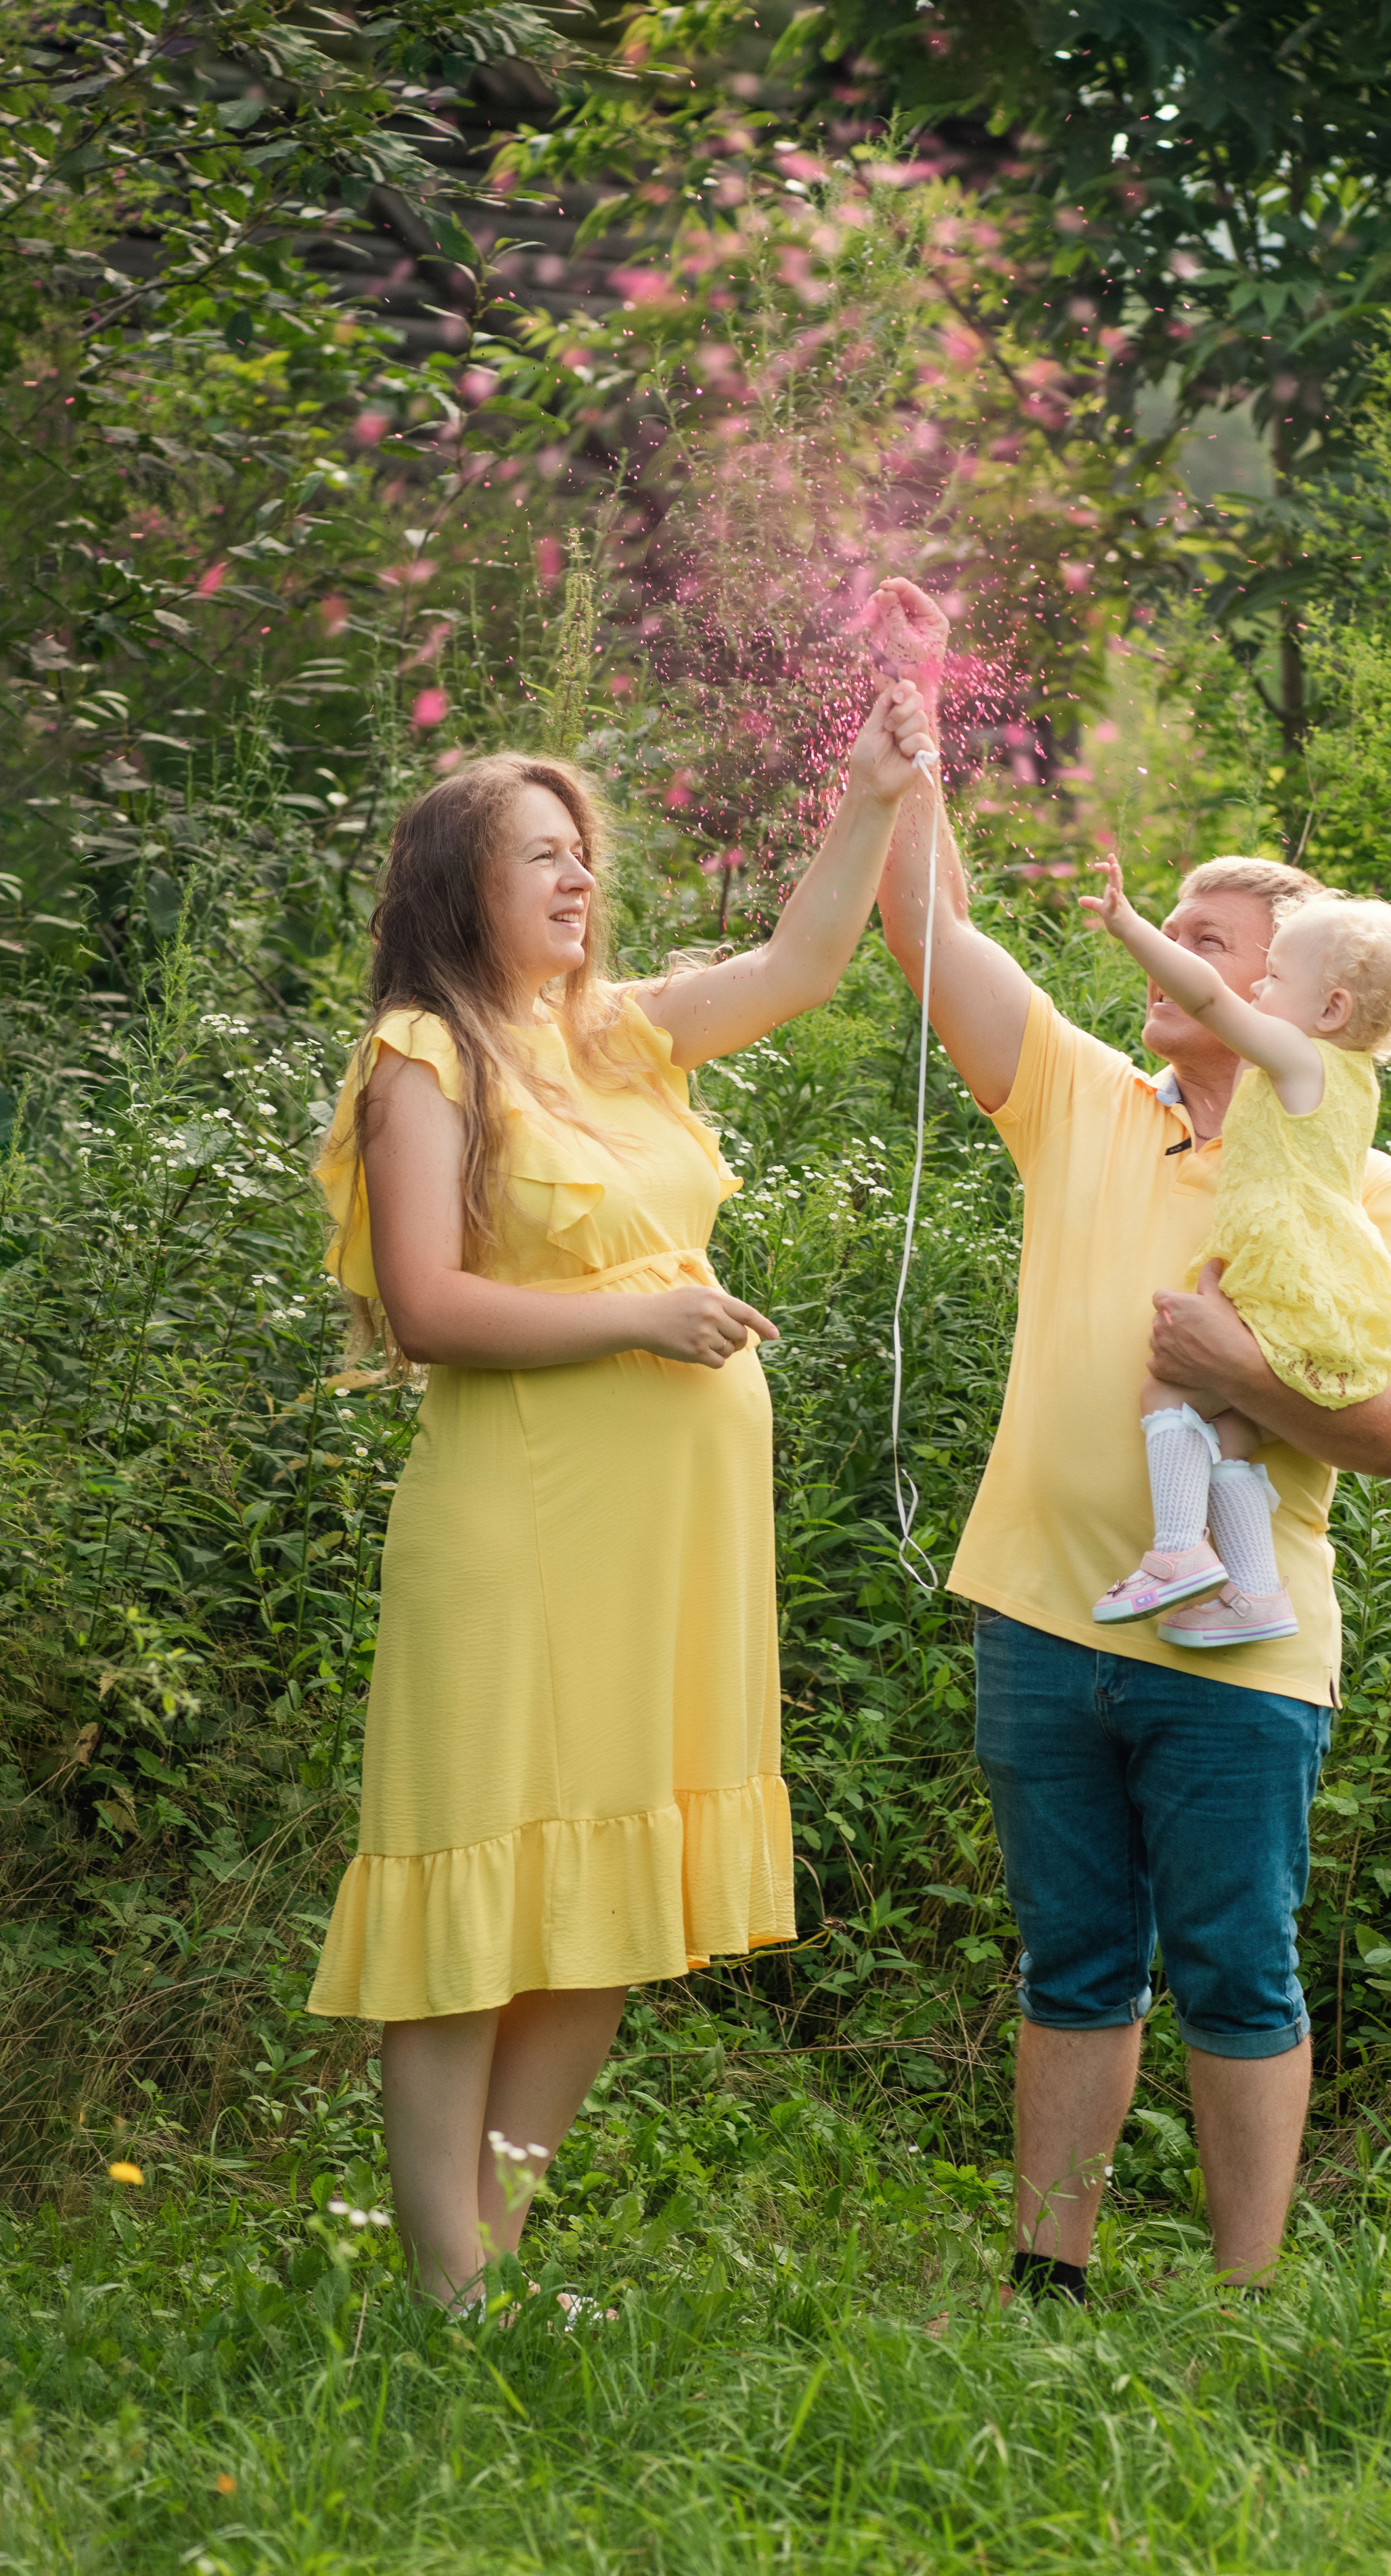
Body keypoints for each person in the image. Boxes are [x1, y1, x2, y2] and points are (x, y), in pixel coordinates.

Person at [306, 679, 936, 2307]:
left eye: (585, 852)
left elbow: (801, 962)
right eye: (541, 855)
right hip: (517, 1519)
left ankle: (497, 2264)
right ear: (463, 885)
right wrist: (639, 1314)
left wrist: (868, 791)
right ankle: (440, 2282)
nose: (581, 879)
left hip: (665, 1536)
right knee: (474, 1889)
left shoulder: (617, 1032)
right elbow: (430, 1304)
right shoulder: (425, 1054)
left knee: (604, 1902)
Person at [867, 579, 1391, 2299]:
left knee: (1234, 1962)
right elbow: (928, 929)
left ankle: (1247, 2292)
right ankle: (1049, 2267)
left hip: (1241, 1646)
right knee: (1069, 1956)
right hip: (1044, 1613)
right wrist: (914, 728)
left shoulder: (1362, 1179)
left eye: (1216, 932)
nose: (1176, 949)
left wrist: (1232, 1372)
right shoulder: (1079, 1105)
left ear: (1300, 998)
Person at [1083, 861, 1391, 1650]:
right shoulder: (1353, 1079)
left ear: (1330, 1007)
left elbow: (1209, 999)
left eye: (1273, 975)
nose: (1252, 993)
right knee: (1237, 1433)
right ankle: (1253, 1590)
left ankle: (1177, 1550)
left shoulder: (1297, 1057)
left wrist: (1130, 927)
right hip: (1322, 1271)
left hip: (1276, 1258)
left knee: (1168, 1393)